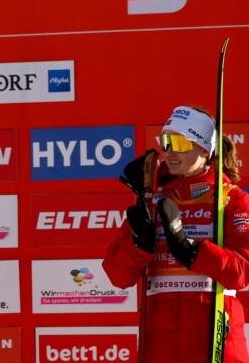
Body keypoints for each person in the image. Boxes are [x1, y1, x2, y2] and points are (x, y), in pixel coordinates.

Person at [102, 106, 249, 363]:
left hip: (215, 342)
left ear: (205, 149)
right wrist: (140, 245)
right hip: (160, 345)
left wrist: (192, 250)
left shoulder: (232, 200)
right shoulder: (152, 199)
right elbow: (117, 275)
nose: (169, 151)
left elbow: (244, 270)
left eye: (179, 142)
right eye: (166, 141)